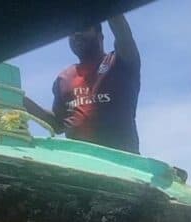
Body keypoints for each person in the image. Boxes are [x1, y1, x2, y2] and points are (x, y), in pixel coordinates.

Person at [25, 14, 141, 154]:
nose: (76, 34)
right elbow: (57, 124)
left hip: (123, 162)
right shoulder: (64, 78)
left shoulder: (121, 62)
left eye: (83, 29)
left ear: (100, 36)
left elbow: (123, 36)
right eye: (71, 32)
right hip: (80, 163)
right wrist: (20, 99)